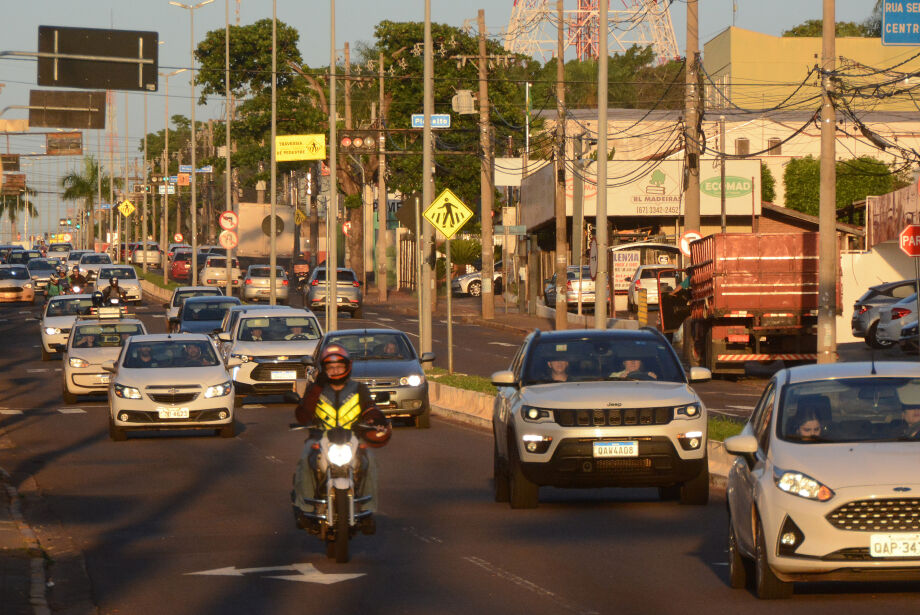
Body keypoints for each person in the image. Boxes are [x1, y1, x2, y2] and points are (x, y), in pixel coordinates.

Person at [291, 344, 391, 532]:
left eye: (339, 366)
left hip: (352, 438)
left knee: (370, 459)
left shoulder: (359, 388)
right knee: (305, 458)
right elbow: (303, 415)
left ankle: (367, 511)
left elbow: (370, 408)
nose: (335, 371)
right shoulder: (316, 389)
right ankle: (305, 509)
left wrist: (376, 419)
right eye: (330, 367)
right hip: (320, 438)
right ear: (324, 369)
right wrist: (317, 387)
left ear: (348, 366)